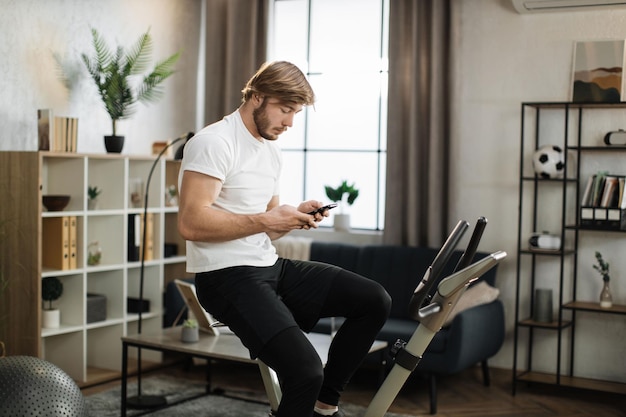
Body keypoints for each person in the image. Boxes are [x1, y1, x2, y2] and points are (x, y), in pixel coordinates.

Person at [177, 61, 391, 417]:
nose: (290, 122)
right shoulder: (213, 142)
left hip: (267, 265)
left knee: (374, 299)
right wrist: (266, 218)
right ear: (257, 96)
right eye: (285, 109)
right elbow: (191, 222)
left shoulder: (270, 151)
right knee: (305, 371)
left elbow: (268, 226)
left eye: (296, 112)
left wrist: (294, 217)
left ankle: (325, 406)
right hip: (224, 276)